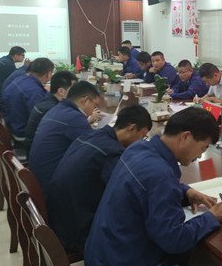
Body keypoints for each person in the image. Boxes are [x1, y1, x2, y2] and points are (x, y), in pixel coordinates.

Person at [84, 107, 222, 266]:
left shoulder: (139, 149)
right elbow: (174, 240)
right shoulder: (160, 174)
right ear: (185, 137)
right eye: (202, 148)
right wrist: (212, 217)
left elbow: (147, 187)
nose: (200, 155)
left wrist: (186, 192)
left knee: (184, 258)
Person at [48, 105, 152, 254]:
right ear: (132, 128)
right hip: (77, 233)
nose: (142, 141)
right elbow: (128, 193)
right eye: (143, 137)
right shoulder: (111, 152)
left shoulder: (92, 135)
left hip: (59, 219)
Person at [29, 81, 100, 197]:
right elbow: (94, 151)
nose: (94, 110)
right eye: (95, 105)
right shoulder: (75, 118)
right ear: (85, 100)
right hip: (52, 188)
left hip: (38, 179)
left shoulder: (58, 108)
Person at [24, 70, 78, 155]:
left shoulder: (48, 99)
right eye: (73, 89)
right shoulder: (53, 109)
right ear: (61, 91)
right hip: (41, 155)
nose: (77, 93)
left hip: (36, 150)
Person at [0, 57, 54, 139]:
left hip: (12, 123)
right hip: (22, 131)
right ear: (49, 74)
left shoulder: (21, 79)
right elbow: (42, 117)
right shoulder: (34, 92)